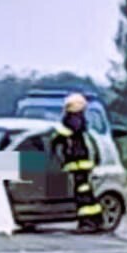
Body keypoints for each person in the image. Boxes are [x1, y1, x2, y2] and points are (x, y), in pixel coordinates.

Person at [49, 92, 102, 233]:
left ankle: (88, 223)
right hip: (79, 163)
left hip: (79, 163)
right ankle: (95, 220)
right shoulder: (77, 119)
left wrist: (55, 138)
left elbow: (67, 132)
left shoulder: (74, 120)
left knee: (83, 195)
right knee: (85, 193)